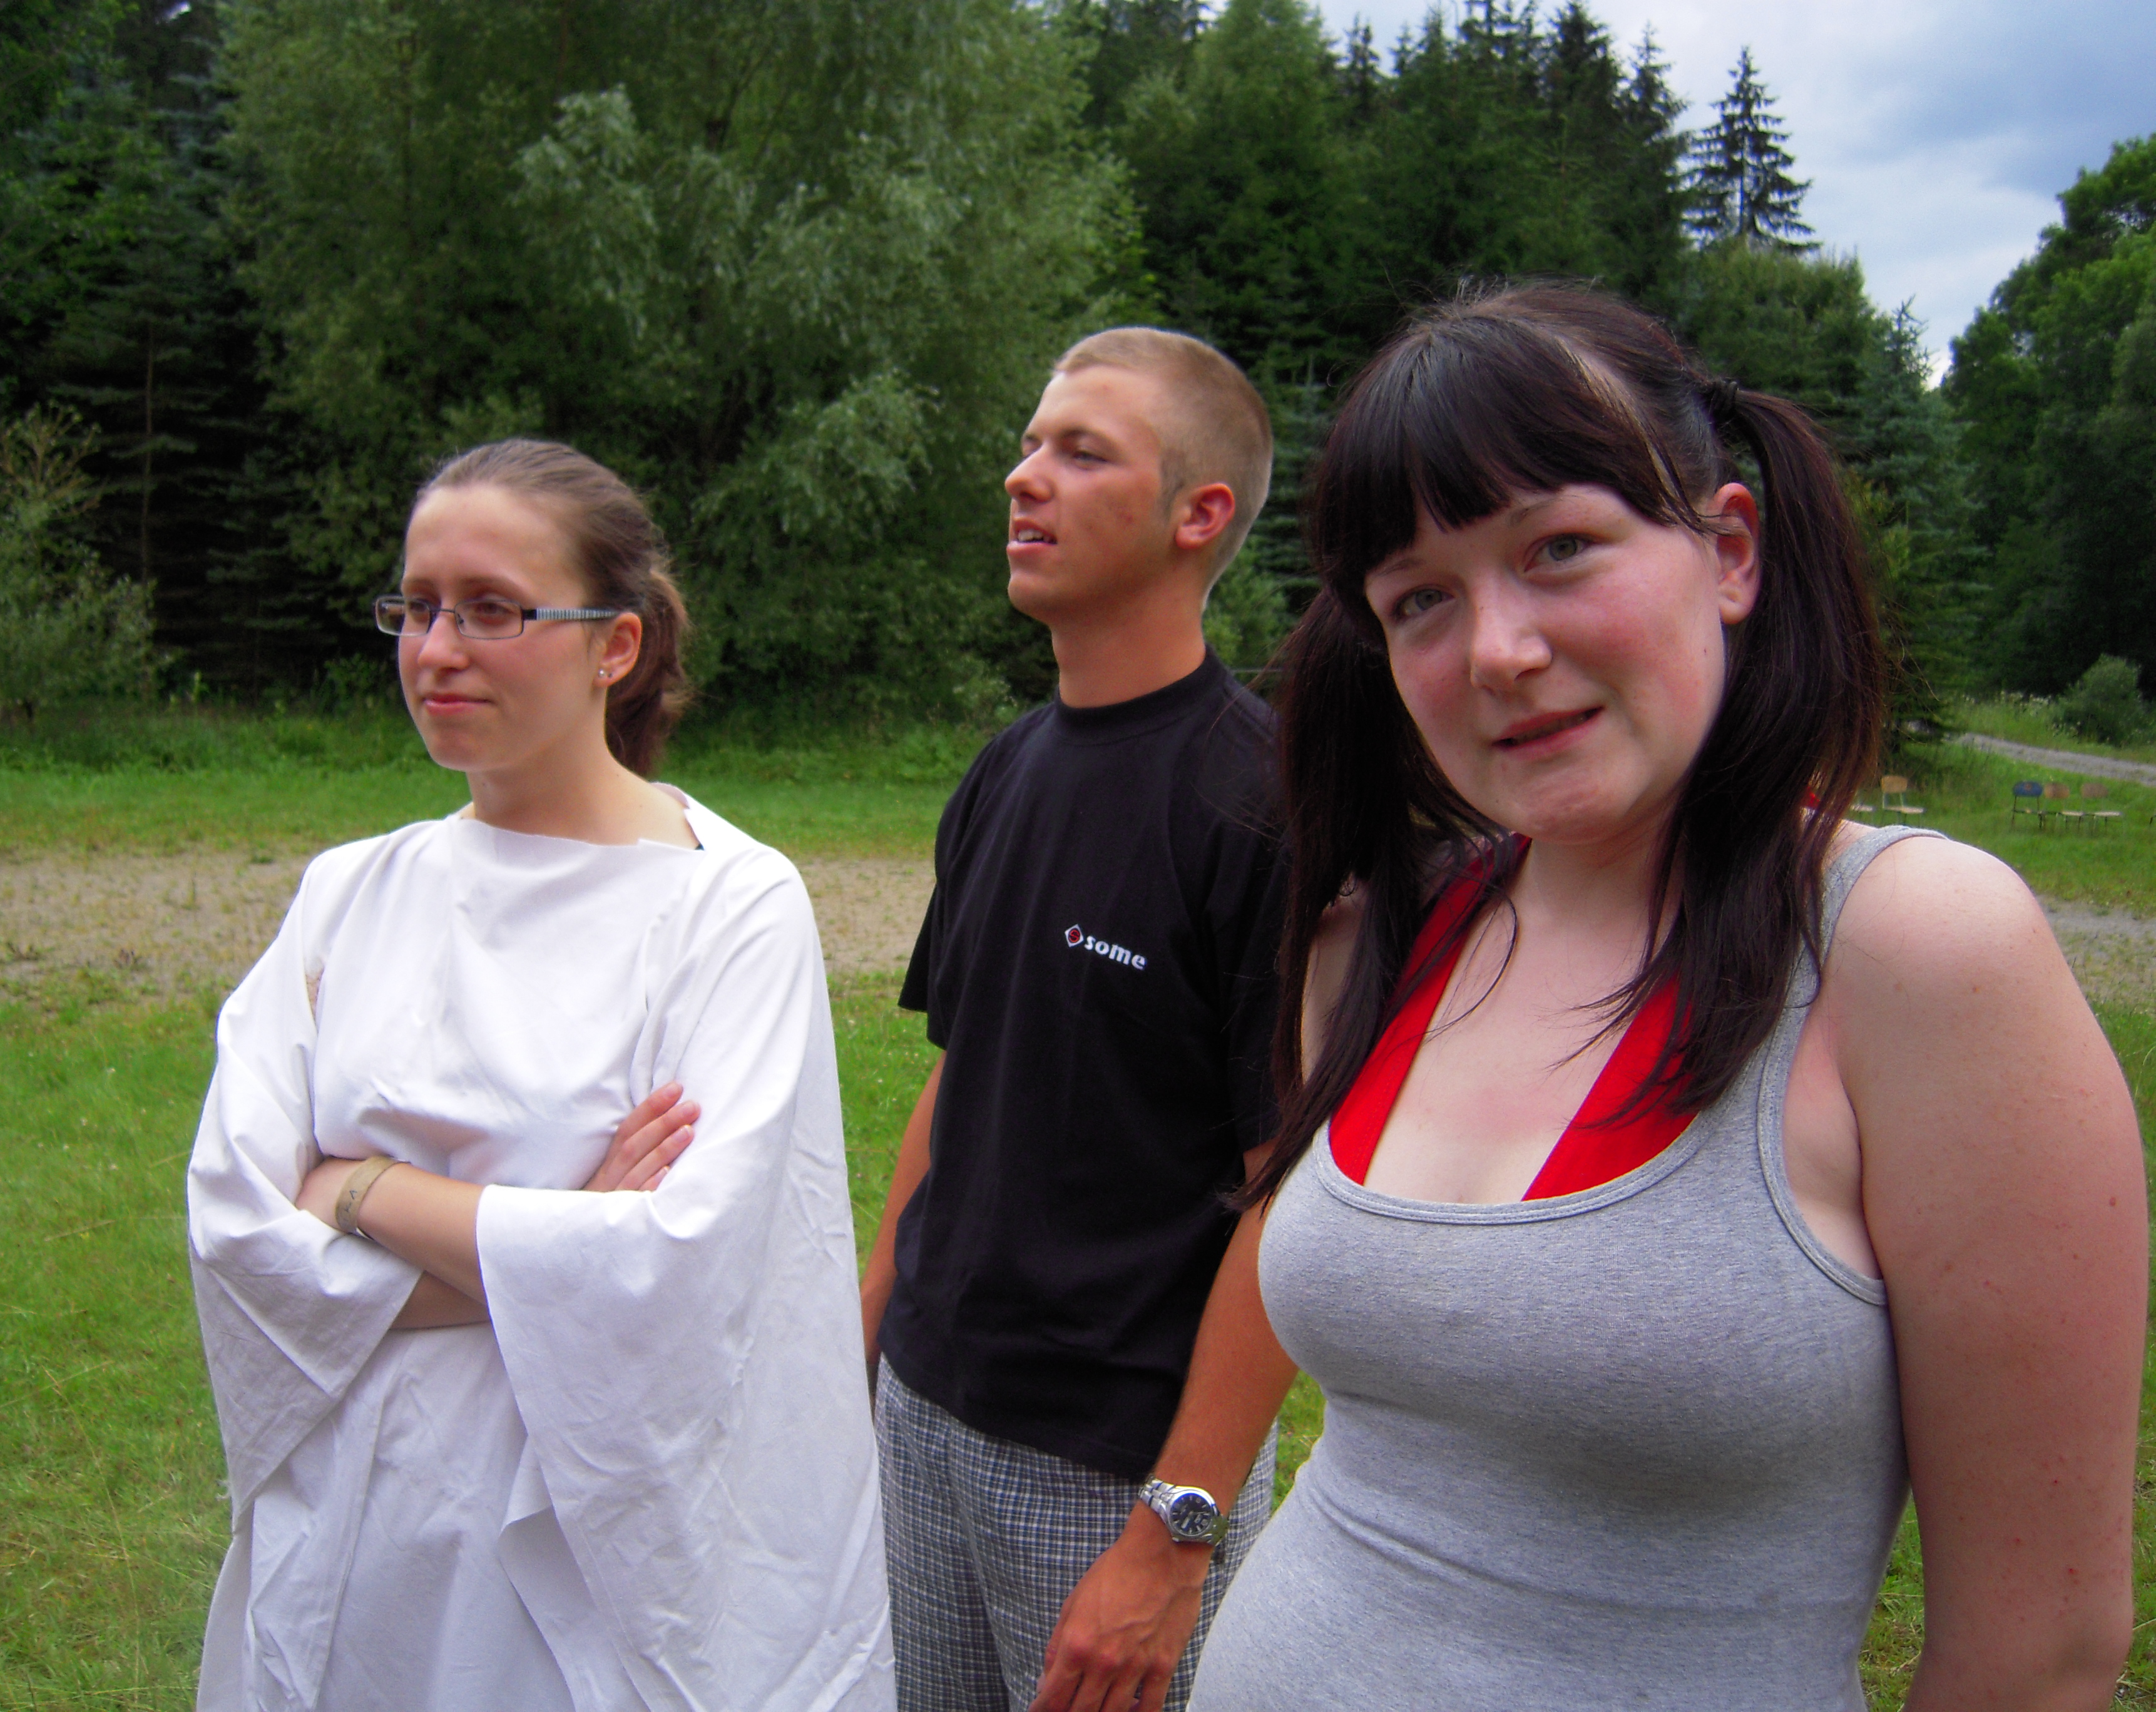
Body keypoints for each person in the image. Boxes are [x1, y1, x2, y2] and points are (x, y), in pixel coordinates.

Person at [1187, 284, 2147, 1710]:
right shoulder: (1383, 943)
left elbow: (2040, 1654)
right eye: (1421, 600)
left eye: (1559, 548)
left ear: (1731, 551)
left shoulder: (1915, 952)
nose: (1498, 650)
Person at [186, 439, 892, 1711]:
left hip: (580, 1561)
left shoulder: (730, 906)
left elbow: (688, 1266)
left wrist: (359, 1190)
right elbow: (240, 1230)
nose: (436, 649)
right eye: (417, 607)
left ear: (614, 645)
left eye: (493, 609)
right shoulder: (349, 895)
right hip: (358, 1529)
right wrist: (561, 1231)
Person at [861, 329, 1297, 1712]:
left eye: (1080, 451)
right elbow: (961, 1071)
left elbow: (1288, 1191)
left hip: (1111, 1468)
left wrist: (1176, 1528)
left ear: (1197, 514)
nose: (1022, 476)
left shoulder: (1263, 805)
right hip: (924, 1407)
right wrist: (864, 1337)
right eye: (1030, 443)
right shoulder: (1007, 769)